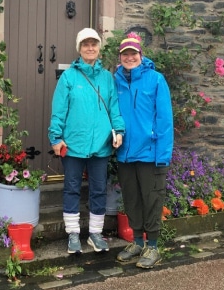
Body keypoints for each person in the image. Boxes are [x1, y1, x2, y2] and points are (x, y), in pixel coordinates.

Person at [48, 28, 125, 254]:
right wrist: (56, 137)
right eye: (85, 44)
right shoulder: (69, 77)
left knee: (99, 190)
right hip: (73, 145)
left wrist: (118, 130)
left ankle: (95, 234)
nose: (90, 48)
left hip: (100, 145)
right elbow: (58, 110)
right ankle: (73, 235)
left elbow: (114, 108)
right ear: (79, 48)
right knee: (71, 189)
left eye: (94, 44)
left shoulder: (106, 78)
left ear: (99, 48)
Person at [115, 33, 173, 269]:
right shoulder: (116, 81)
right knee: (132, 199)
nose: (130, 57)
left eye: (133, 53)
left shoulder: (156, 80)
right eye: (125, 54)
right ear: (120, 57)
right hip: (125, 153)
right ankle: (137, 242)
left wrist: (163, 155)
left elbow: (165, 120)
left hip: (150, 153)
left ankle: (153, 246)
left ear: (141, 55)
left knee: (151, 199)